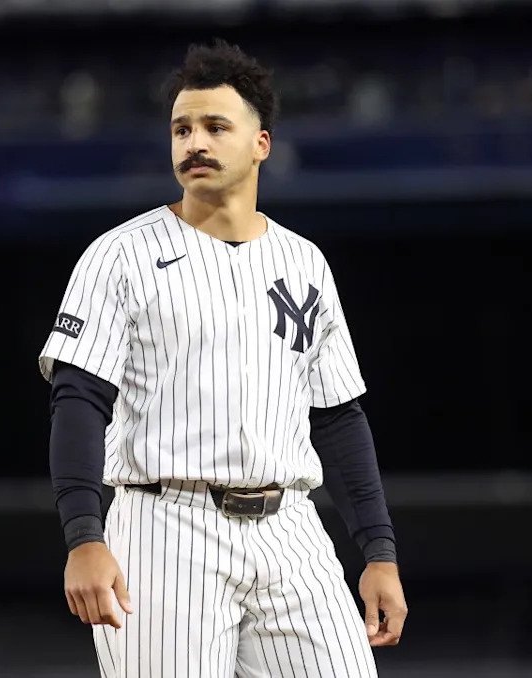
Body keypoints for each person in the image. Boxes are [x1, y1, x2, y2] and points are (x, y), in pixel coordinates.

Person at [39, 39, 407, 677]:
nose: (193, 143)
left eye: (214, 126)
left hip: (291, 527)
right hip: (164, 527)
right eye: (181, 129)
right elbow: (78, 402)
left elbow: (340, 417)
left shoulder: (304, 262)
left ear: (261, 144)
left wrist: (378, 551)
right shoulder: (119, 256)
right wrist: (84, 537)